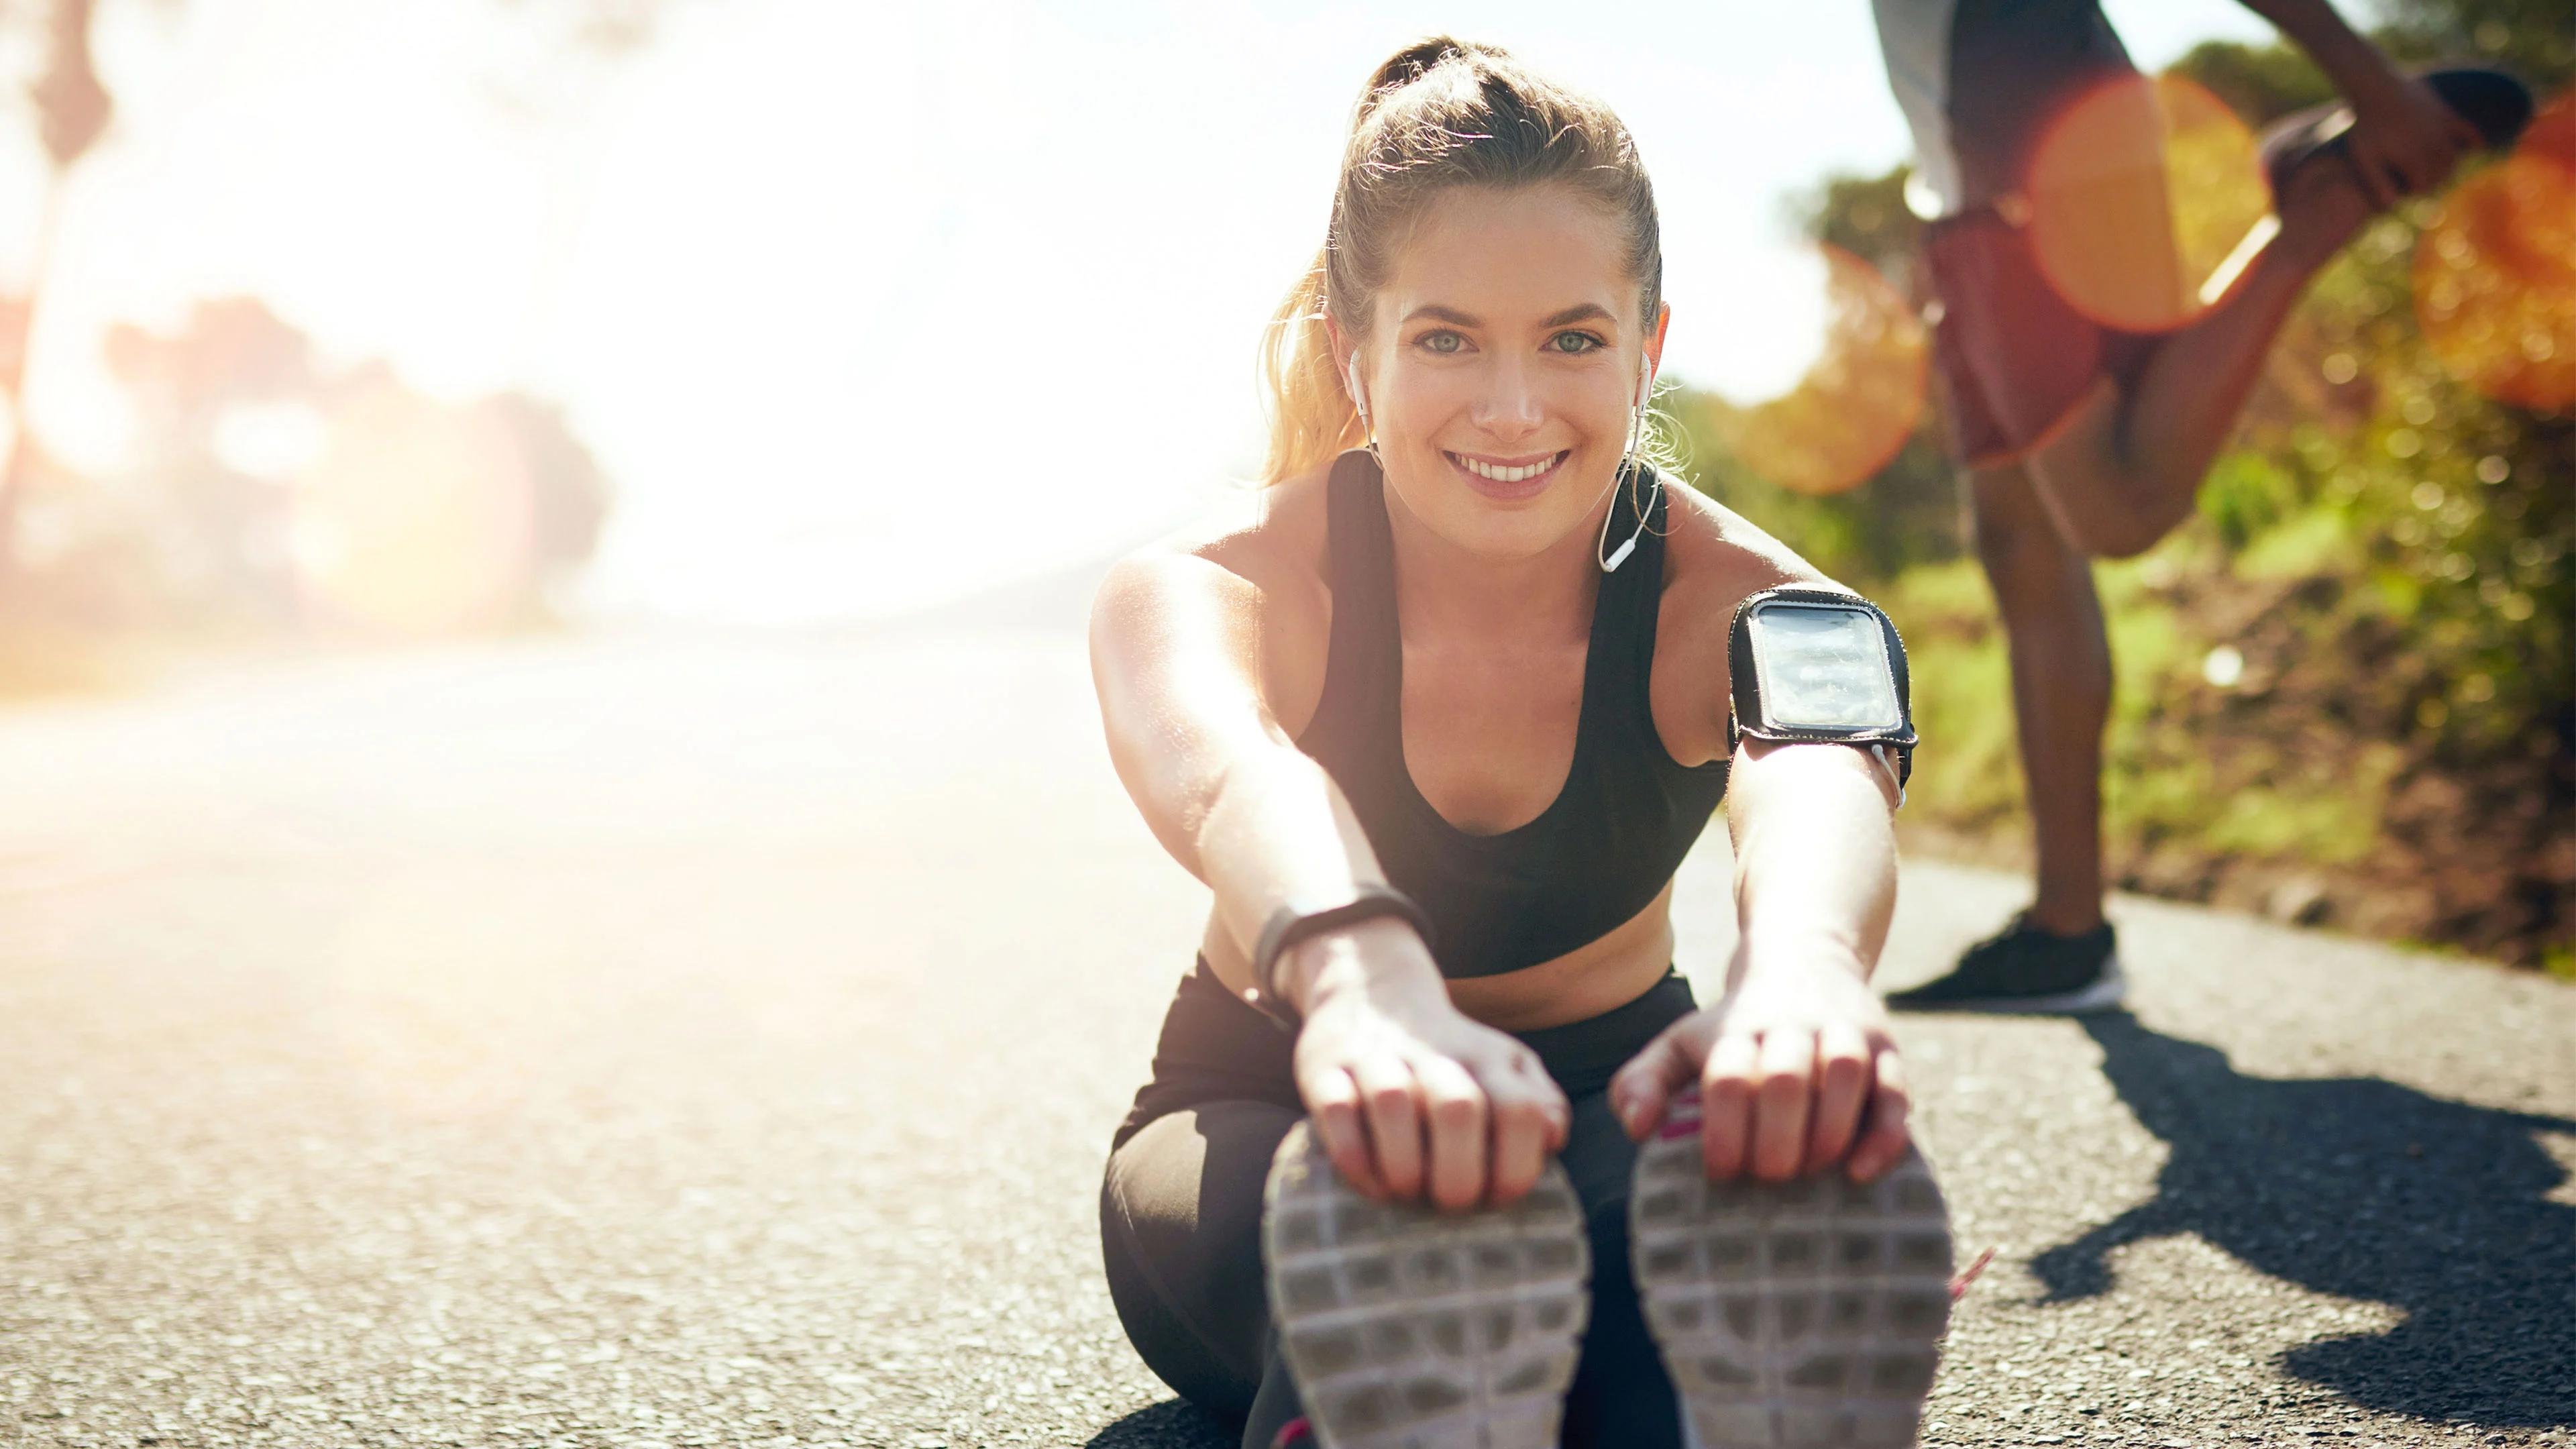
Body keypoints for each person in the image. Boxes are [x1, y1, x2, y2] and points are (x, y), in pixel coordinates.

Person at [1093, 39, 1955, 1449]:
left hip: (1619, 1101)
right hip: (1282, 1109)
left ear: (1648, 346)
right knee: (1399, 1272)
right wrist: (1369, 986)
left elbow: (1819, 768)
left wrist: (1802, 975)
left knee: (1645, 1371)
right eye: (1446, 338)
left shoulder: (1756, 603)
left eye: (1572, 338)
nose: (1513, 407)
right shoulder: (1216, 585)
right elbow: (1230, 763)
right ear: (1351, 355)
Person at [1871, 0, 2528, 1013]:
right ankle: (2068, 930)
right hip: (1966, 178)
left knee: (2117, 509)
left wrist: (2374, 87)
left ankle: (2313, 211)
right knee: (2020, 542)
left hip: (2034, 139)